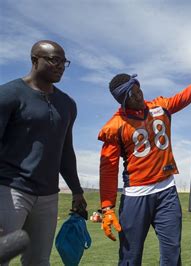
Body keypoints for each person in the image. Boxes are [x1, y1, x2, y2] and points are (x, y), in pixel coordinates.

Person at [98, 64, 191, 265]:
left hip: (166, 190)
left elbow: (186, 96)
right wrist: (107, 207)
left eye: (138, 89)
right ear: (123, 102)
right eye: (131, 95)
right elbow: (108, 168)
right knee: (130, 257)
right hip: (137, 196)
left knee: (172, 253)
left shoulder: (160, 107)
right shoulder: (114, 127)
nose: (138, 96)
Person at [0, 40, 88, 265]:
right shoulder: (9, 94)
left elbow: (65, 151)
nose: (60, 66)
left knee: (39, 260)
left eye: (63, 61)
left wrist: (77, 191)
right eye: (53, 60)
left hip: (48, 195)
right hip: (10, 190)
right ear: (34, 60)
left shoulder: (67, 104)